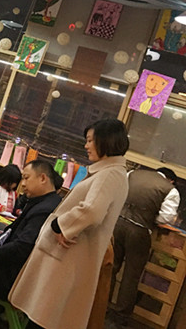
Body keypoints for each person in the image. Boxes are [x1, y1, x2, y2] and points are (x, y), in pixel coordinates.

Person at [9, 119, 129, 329]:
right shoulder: (110, 172)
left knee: (44, 319)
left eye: (90, 140)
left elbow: (92, 210)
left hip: (67, 260)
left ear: (106, 141)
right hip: (68, 259)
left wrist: (60, 225)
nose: (86, 145)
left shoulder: (109, 174)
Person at [0, 159, 62, 301]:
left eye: (26, 178)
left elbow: (21, 247)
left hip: (8, 278)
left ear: (43, 178)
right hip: (4, 266)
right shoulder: (40, 202)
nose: (22, 184)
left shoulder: (45, 209)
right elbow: (10, 234)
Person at [110, 166, 181, 319]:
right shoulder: (170, 190)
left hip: (117, 223)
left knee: (110, 266)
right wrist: (151, 218)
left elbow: (116, 194)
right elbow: (167, 217)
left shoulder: (133, 174)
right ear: (171, 180)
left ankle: (100, 305)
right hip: (139, 230)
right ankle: (120, 316)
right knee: (131, 274)